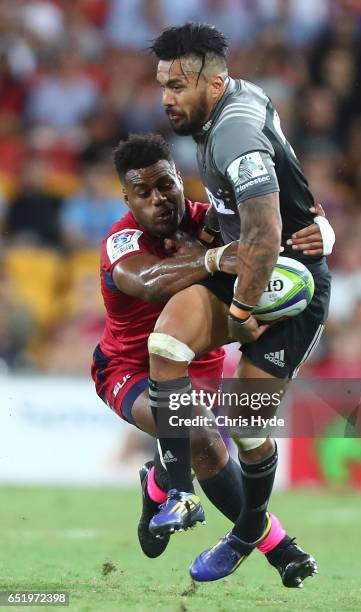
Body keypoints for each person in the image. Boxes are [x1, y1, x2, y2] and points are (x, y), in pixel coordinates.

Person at [91, 132, 333, 587]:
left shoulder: (212, 221)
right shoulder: (120, 241)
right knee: (197, 431)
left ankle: (160, 484)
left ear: (180, 180)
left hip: (197, 368)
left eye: (165, 185)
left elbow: (274, 232)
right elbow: (147, 282)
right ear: (127, 197)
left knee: (206, 433)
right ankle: (280, 548)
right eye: (143, 193)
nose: (158, 200)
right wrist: (215, 259)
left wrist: (323, 231)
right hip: (128, 368)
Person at [149, 22, 333, 582]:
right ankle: (177, 491)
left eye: (178, 85)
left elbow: (265, 231)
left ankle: (249, 528)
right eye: (162, 84)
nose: (166, 98)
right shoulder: (236, 100)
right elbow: (283, 189)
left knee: (246, 425)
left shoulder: (234, 131)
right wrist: (319, 217)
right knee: (166, 342)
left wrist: (239, 314)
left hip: (289, 279)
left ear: (215, 81)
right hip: (247, 261)